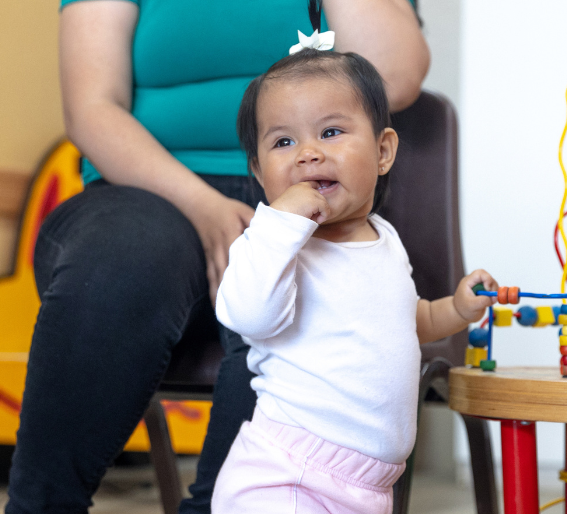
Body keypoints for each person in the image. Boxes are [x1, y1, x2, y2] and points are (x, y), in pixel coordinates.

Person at [5, 1, 429, 513]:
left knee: (308, 312)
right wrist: (205, 207)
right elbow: (91, 107)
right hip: (141, 190)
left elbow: (396, 76)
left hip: (311, 198)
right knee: (123, 266)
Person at [210, 46, 498, 514]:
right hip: (287, 474)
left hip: (367, 487)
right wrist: (281, 224)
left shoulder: (384, 240)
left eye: (330, 132)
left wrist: (458, 309)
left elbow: (410, 321)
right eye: (283, 142)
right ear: (260, 173)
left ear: (383, 151)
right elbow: (248, 316)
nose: (307, 153)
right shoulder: (276, 247)